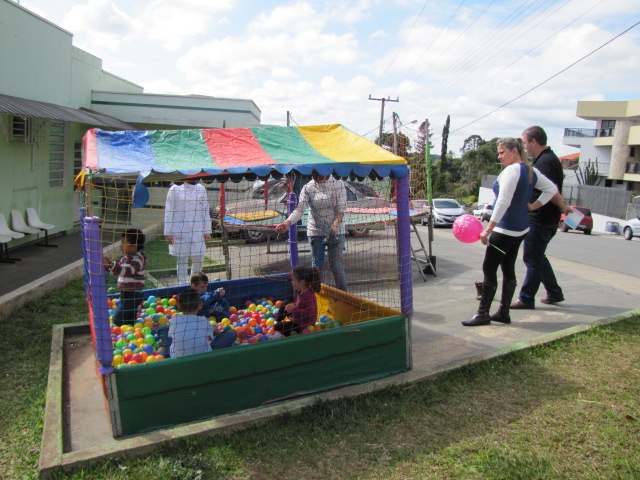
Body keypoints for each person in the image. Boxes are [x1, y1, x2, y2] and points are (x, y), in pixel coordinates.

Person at [463, 138, 569, 327]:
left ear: (514, 151)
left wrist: (488, 229)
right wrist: (533, 206)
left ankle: (483, 314)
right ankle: (503, 313)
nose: (499, 156)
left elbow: (503, 201)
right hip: (520, 229)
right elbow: (552, 189)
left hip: (504, 229)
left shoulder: (512, 171)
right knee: (508, 268)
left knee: (489, 269)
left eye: (502, 152)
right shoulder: (530, 170)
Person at [511, 126, 567, 310]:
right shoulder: (546, 159)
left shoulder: (545, 162)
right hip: (544, 218)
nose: (524, 147)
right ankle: (554, 292)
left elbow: (550, 190)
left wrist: (533, 206)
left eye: (525, 142)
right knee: (538, 257)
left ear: (534, 141)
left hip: (541, 219)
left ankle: (526, 298)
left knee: (532, 258)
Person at [275, 173, 347, 291]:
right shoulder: (308, 187)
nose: (316, 178)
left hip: (336, 232)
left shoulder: (338, 183)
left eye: (319, 174)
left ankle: (345, 297)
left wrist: (335, 225)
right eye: (313, 175)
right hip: (315, 232)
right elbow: (299, 210)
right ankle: (316, 298)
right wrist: (286, 224)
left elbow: (341, 209)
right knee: (316, 268)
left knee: (336, 266)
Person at [164, 180, 212, 285]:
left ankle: (195, 283)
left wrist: (207, 230)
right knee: (182, 259)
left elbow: (205, 210)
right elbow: (169, 210)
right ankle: (182, 284)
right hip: (180, 229)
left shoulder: (201, 188)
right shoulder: (174, 189)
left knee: (199, 258)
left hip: (198, 230)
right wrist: (168, 232)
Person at [103, 229, 146, 326]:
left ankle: (125, 327)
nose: (121, 245)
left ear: (133, 246)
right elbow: (119, 272)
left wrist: (110, 264)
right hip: (127, 292)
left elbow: (124, 271)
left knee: (118, 320)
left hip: (133, 294)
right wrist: (107, 267)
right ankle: (131, 326)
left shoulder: (137, 260)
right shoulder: (126, 257)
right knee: (129, 315)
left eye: (123, 243)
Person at [190, 272, 237, 350]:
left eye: (206, 287)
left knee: (218, 307)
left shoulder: (205, 293)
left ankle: (229, 320)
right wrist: (216, 293)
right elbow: (205, 299)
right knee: (231, 333)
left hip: (208, 317)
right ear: (193, 286)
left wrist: (220, 299)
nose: (205, 289)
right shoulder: (192, 296)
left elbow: (210, 298)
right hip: (200, 318)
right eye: (202, 287)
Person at [274, 265, 321, 336]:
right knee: (285, 303)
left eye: (294, 280)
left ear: (302, 282)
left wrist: (294, 309)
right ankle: (276, 321)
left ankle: (278, 325)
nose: (292, 282)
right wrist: (292, 306)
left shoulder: (308, 296)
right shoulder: (302, 292)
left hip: (303, 325)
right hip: (298, 318)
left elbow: (310, 313)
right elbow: (300, 304)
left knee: (278, 327)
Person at [168, 289, 214, 358]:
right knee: (230, 334)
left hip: (179, 361)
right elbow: (210, 339)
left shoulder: (174, 320)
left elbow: (170, 336)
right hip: (203, 359)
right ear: (200, 305)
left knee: (164, 331)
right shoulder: (204, 321)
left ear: (178, 305)